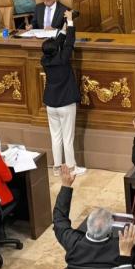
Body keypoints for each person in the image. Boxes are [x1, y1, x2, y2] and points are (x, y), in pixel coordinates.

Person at [54, 165, 127, 269]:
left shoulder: (73, 243)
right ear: (110, 231)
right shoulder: (118, 249)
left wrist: (66, 186)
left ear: (88, 226)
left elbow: (59, 219)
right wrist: (126, 254)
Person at [42, 10, 83, 173]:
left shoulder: (44, 59)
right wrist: (71, 22)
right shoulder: (63, 58)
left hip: (51, 104)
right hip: (65, 102)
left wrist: (64, 26)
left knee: (56, 136)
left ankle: (57, 167)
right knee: (68, 137)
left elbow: (57, 43)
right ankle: (71, 167)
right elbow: (69, 42)